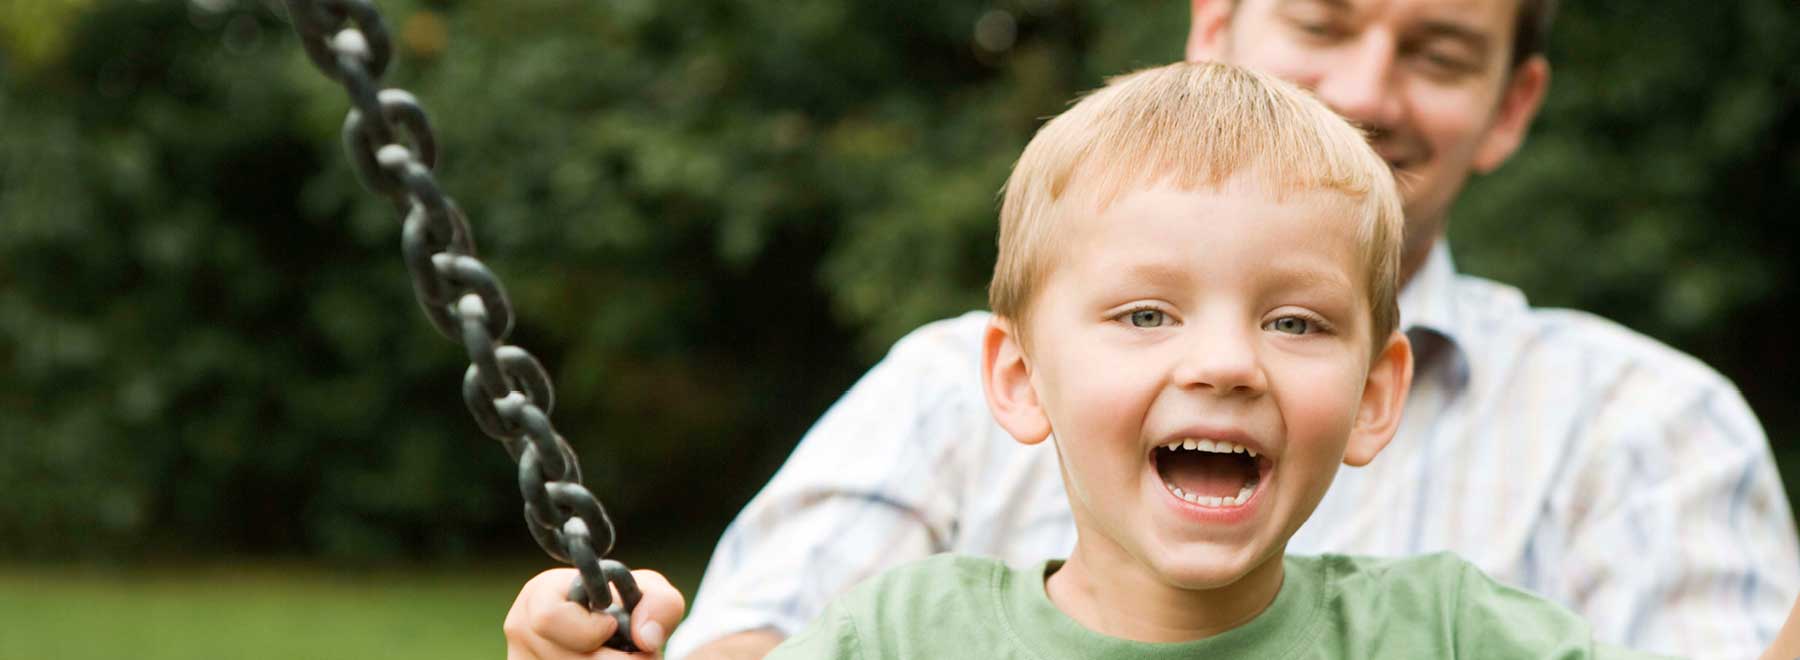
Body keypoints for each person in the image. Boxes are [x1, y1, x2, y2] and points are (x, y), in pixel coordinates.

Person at [508, 1, 1800, 658]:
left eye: (1439, 52)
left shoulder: (1508, 571)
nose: (1226, 361)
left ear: (1374, 396)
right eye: (1323, 19)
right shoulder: (911, 614)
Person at [765, 58, 1665, 659]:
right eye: (1148, 314)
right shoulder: (897, 638)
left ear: (1374, 396)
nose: (1227, 363)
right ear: (1019, 377)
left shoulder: (1454, 636)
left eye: (1296, 324)